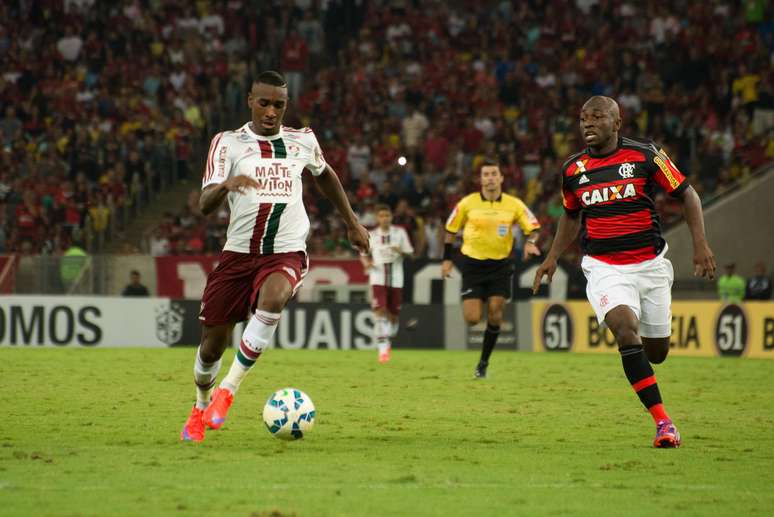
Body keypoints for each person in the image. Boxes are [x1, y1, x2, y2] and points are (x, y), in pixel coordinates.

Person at [180, 71, 370, 442]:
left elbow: (326, 175)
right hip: (237, 256)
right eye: (264, 103)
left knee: (275, 297)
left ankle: (227, 392)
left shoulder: (302, 140)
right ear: (250, 100)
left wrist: (351, 222)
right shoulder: (227, 144)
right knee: (210, 349)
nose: (271, 111)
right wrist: (227, 185)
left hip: (285, 250)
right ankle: (201, 405)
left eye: (279, 105)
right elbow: (204, 205)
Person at [532, 96, 716, 448]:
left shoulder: (646, 155)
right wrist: (552, 256)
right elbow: (571, 216)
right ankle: (663, 422)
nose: (588, 123)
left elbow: (688, 194)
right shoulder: (572, 170)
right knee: (625, 330)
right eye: (583, 118)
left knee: (657, 351)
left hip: (650, 265)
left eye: (597, 117)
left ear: (617, 123)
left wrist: (700, 244)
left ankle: (644, 365)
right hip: (604, 267)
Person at [442, 159, 541, 378]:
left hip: (500, 266)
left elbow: (533, 227)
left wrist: (531, 242)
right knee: (473, 318)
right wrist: (446, 259)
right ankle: (477, 302)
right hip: (473, 265)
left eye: (494, 174)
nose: (490, 178)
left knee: (496, 314)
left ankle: (483, 363)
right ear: (480, 179)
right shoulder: (467, 203)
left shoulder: (514, 204)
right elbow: (450, 230)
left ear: (501, 178)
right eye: (486, 174)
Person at [359, 204, 414, 363]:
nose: (385, 219)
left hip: (396, 278)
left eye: (387, 216)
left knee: (393, 316)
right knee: (379, 310)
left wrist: (400, 251)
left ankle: (387, 338)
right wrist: (366, 264)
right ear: (377, 218)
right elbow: (363, 253)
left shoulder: (400, 233)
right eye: (381, 216)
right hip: (377, 276)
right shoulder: (372, 235)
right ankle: (383, 350)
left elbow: (411, 254)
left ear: (391, 217)